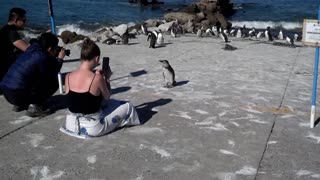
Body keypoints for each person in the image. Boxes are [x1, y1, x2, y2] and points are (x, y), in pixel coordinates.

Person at [62, 38, 140, 137]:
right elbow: (107, 96)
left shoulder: (68, 76)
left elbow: (78, 98)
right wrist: (106, 78)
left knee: (95, 102)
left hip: (70, 123)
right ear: (97, 59)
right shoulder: (97, 78)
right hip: (92, 127)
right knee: (127, 106)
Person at [0, 32, 66, 117]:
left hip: (6, 92)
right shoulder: (42, 56)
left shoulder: (31, 49)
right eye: (55, 48)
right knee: (53, 83)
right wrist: (60, 59)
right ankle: (35, 108)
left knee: (28, 77)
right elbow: (52, 73)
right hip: (17, 95)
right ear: (49, 49)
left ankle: (20, 105)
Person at [0, 7, 30, 81]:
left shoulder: (4, 29)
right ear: (16, 20)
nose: (26, 23)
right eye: (24, 20)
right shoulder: (11, 32)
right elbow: (28, 49)